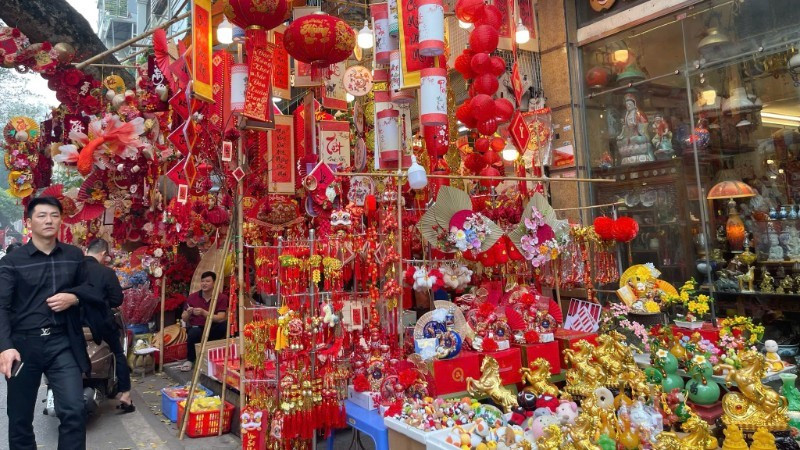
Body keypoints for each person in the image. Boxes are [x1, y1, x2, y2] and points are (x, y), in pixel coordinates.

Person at [0, 197, 102, 450]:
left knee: (75, 409)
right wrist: (6, 346)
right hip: (24, 345)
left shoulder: (74, 256)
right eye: (42, 215)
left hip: (62, 342)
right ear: (29, 222)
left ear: (61, 219)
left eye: (54, 215)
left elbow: (91, 290)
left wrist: (74, 297)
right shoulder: (13, 261)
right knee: (20, 417)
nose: (49, 220)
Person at [83, 238, 134, 413]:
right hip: (100, 323)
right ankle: (125, 394)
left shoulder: (72, 269)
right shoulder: (106, 273)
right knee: (118, 352)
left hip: (74, 324)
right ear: (104, 254)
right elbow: (116, 300)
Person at [180, 271, 228, 372]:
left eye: (207, 281)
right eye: (202, 281)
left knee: (225, 325)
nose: (204, 284)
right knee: (194, 331)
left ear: (214, 283)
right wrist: (188, 313)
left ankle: (215, 355)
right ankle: (190, 359)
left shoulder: (221, 297)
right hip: (197, 328)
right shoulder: (193, 297)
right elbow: (184, 318)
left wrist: (204, 313)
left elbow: (221, 317)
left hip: (212, 328)